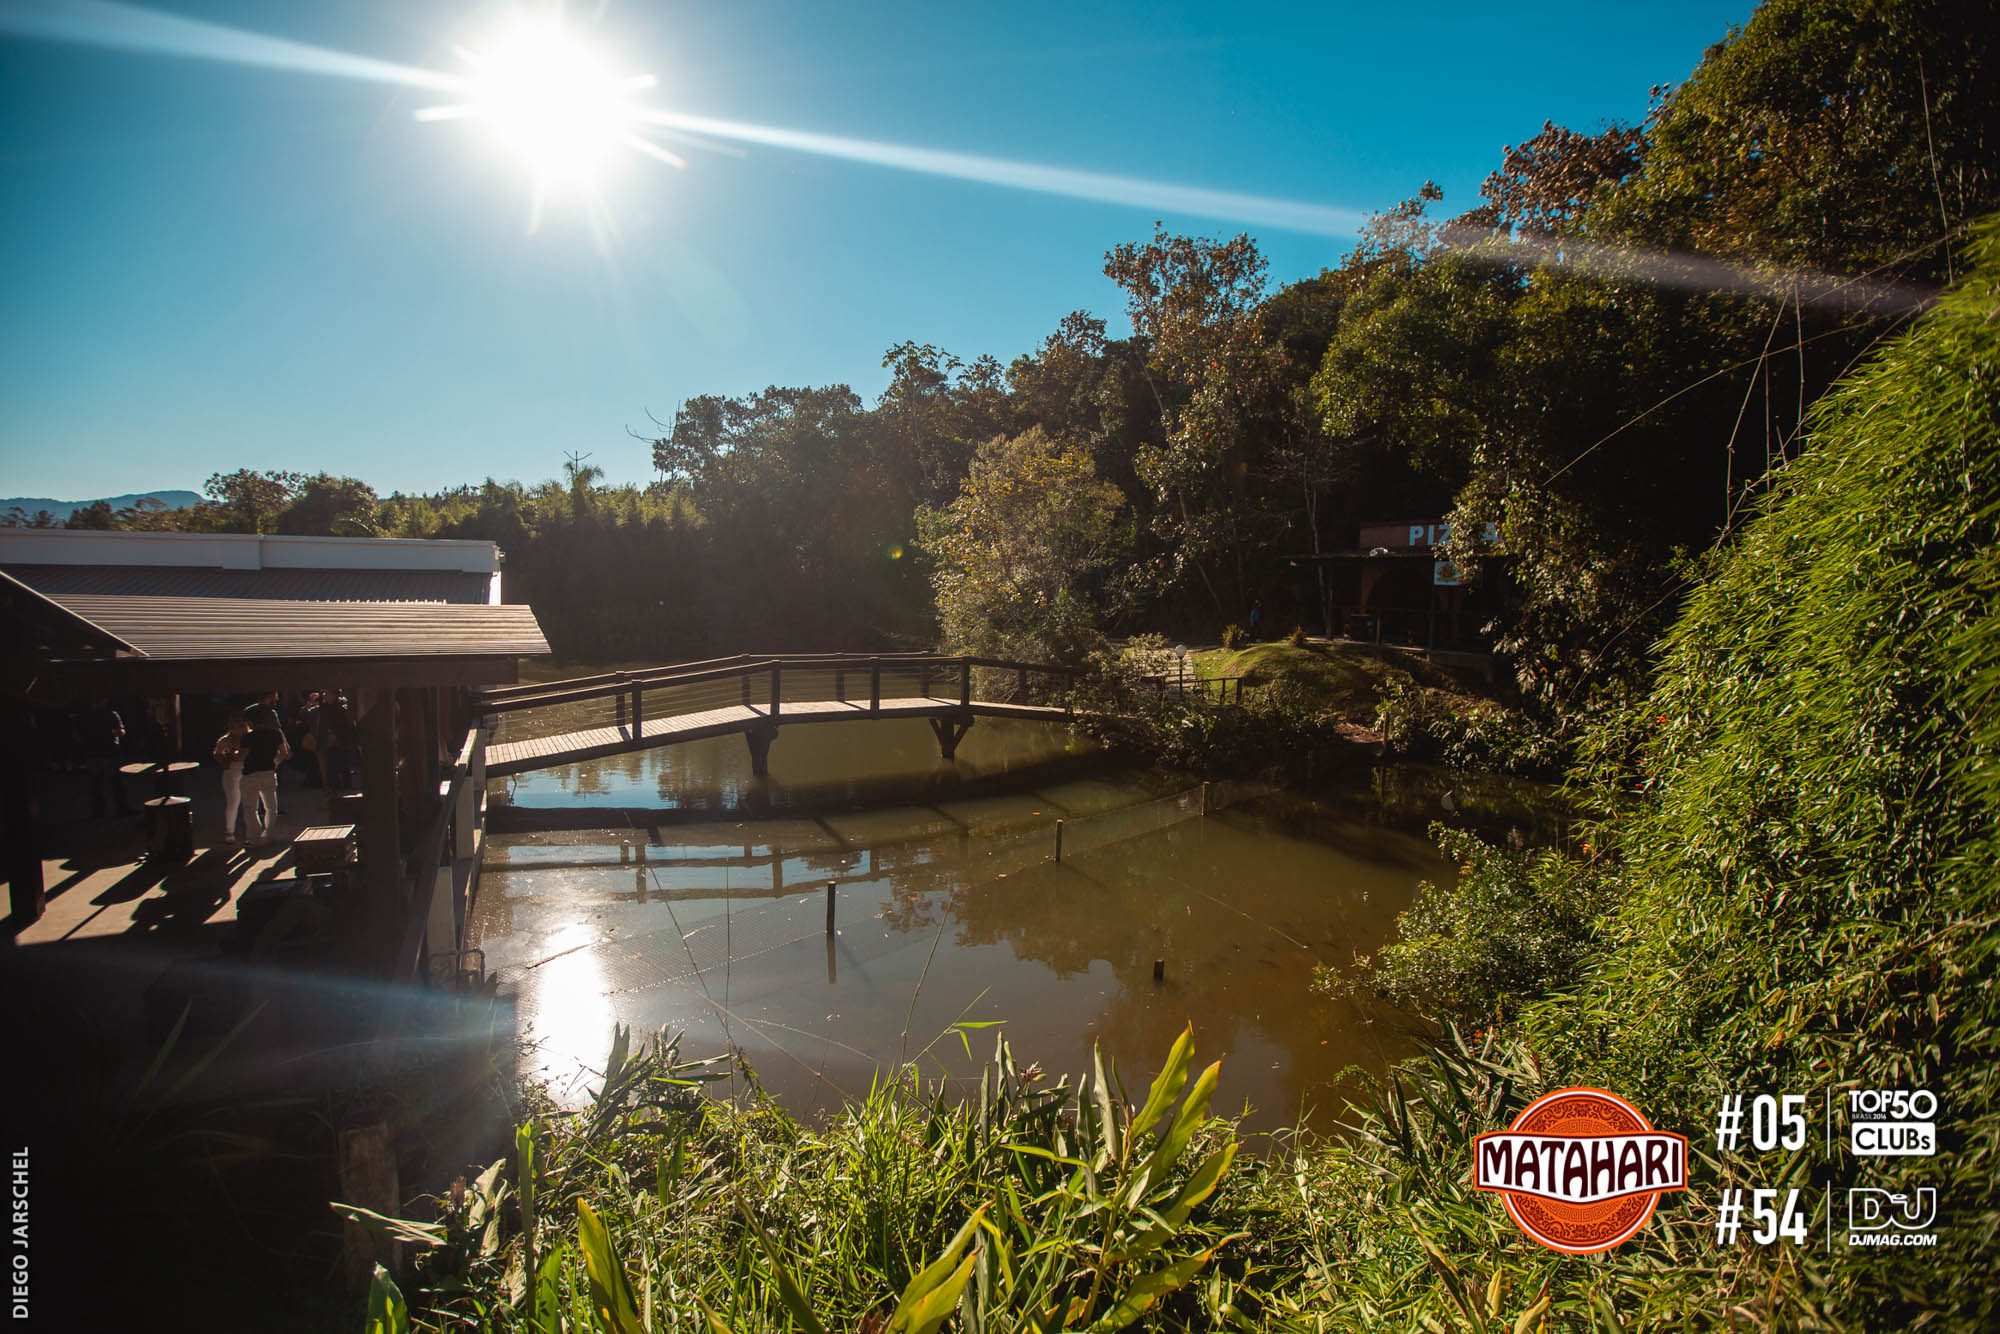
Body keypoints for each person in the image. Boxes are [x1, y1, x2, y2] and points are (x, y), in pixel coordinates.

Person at [238, 704, 290, 847]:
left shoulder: (248, 737)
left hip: (251, 774)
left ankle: (254, 837)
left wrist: (233, 754)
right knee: (271, 807)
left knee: (250, 808)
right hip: (268, 772)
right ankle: (268, 835)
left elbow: (242, 756)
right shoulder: (275, 734)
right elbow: (284, 753)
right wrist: (275, 763)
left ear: (250, 722)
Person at [72, 698, 132, 818]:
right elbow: (120, 732)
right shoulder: (110, 715)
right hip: (109, 751)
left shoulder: (83, 716)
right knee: (116, 781)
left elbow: (76, 735)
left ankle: (99, 810)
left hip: (92, 752)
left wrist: (87, 742)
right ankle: (121, 808)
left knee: (96, 783)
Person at [212, 711, 249, 845]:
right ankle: (229, 831)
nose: (237, 726)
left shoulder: (249, 737)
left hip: (247, 771)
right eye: (234, 723)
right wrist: (225, 761)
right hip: (231, 771)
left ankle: (250, 831)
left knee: (249, 802)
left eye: (240, 723)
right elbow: (217, 754)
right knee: (233, 802)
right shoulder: (225, 740)